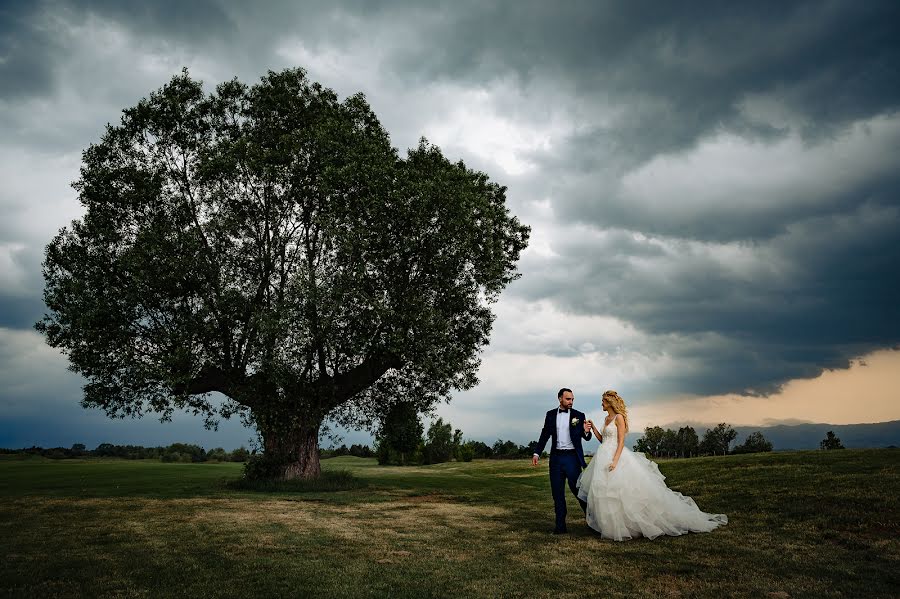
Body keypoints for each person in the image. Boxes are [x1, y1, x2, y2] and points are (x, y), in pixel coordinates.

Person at [577, 390, 728, 541]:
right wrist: (594, 428)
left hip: (616, 457)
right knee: (608, 493)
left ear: (610, 403)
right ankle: (614, 526)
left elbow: (621, 442)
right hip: (603, 455)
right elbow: (603, 440)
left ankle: (636, 524)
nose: (601, 404)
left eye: (603, 401)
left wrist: (615, 461)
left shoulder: (619, 418)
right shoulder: (606, 418)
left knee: (624, 491)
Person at [531, 387, 593, 534]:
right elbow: (545, 434)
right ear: (560, 399)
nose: (571, 401)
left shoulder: (579, 415)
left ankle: (592, 522)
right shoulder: (550, 415)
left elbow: (587, 437)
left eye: (572, 399)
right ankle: (560, 527)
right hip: (556, 459)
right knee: (557, 494)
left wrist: (586, 430)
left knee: (578, 491)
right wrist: (537, 453)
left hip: (572, 458)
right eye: (568, 399)